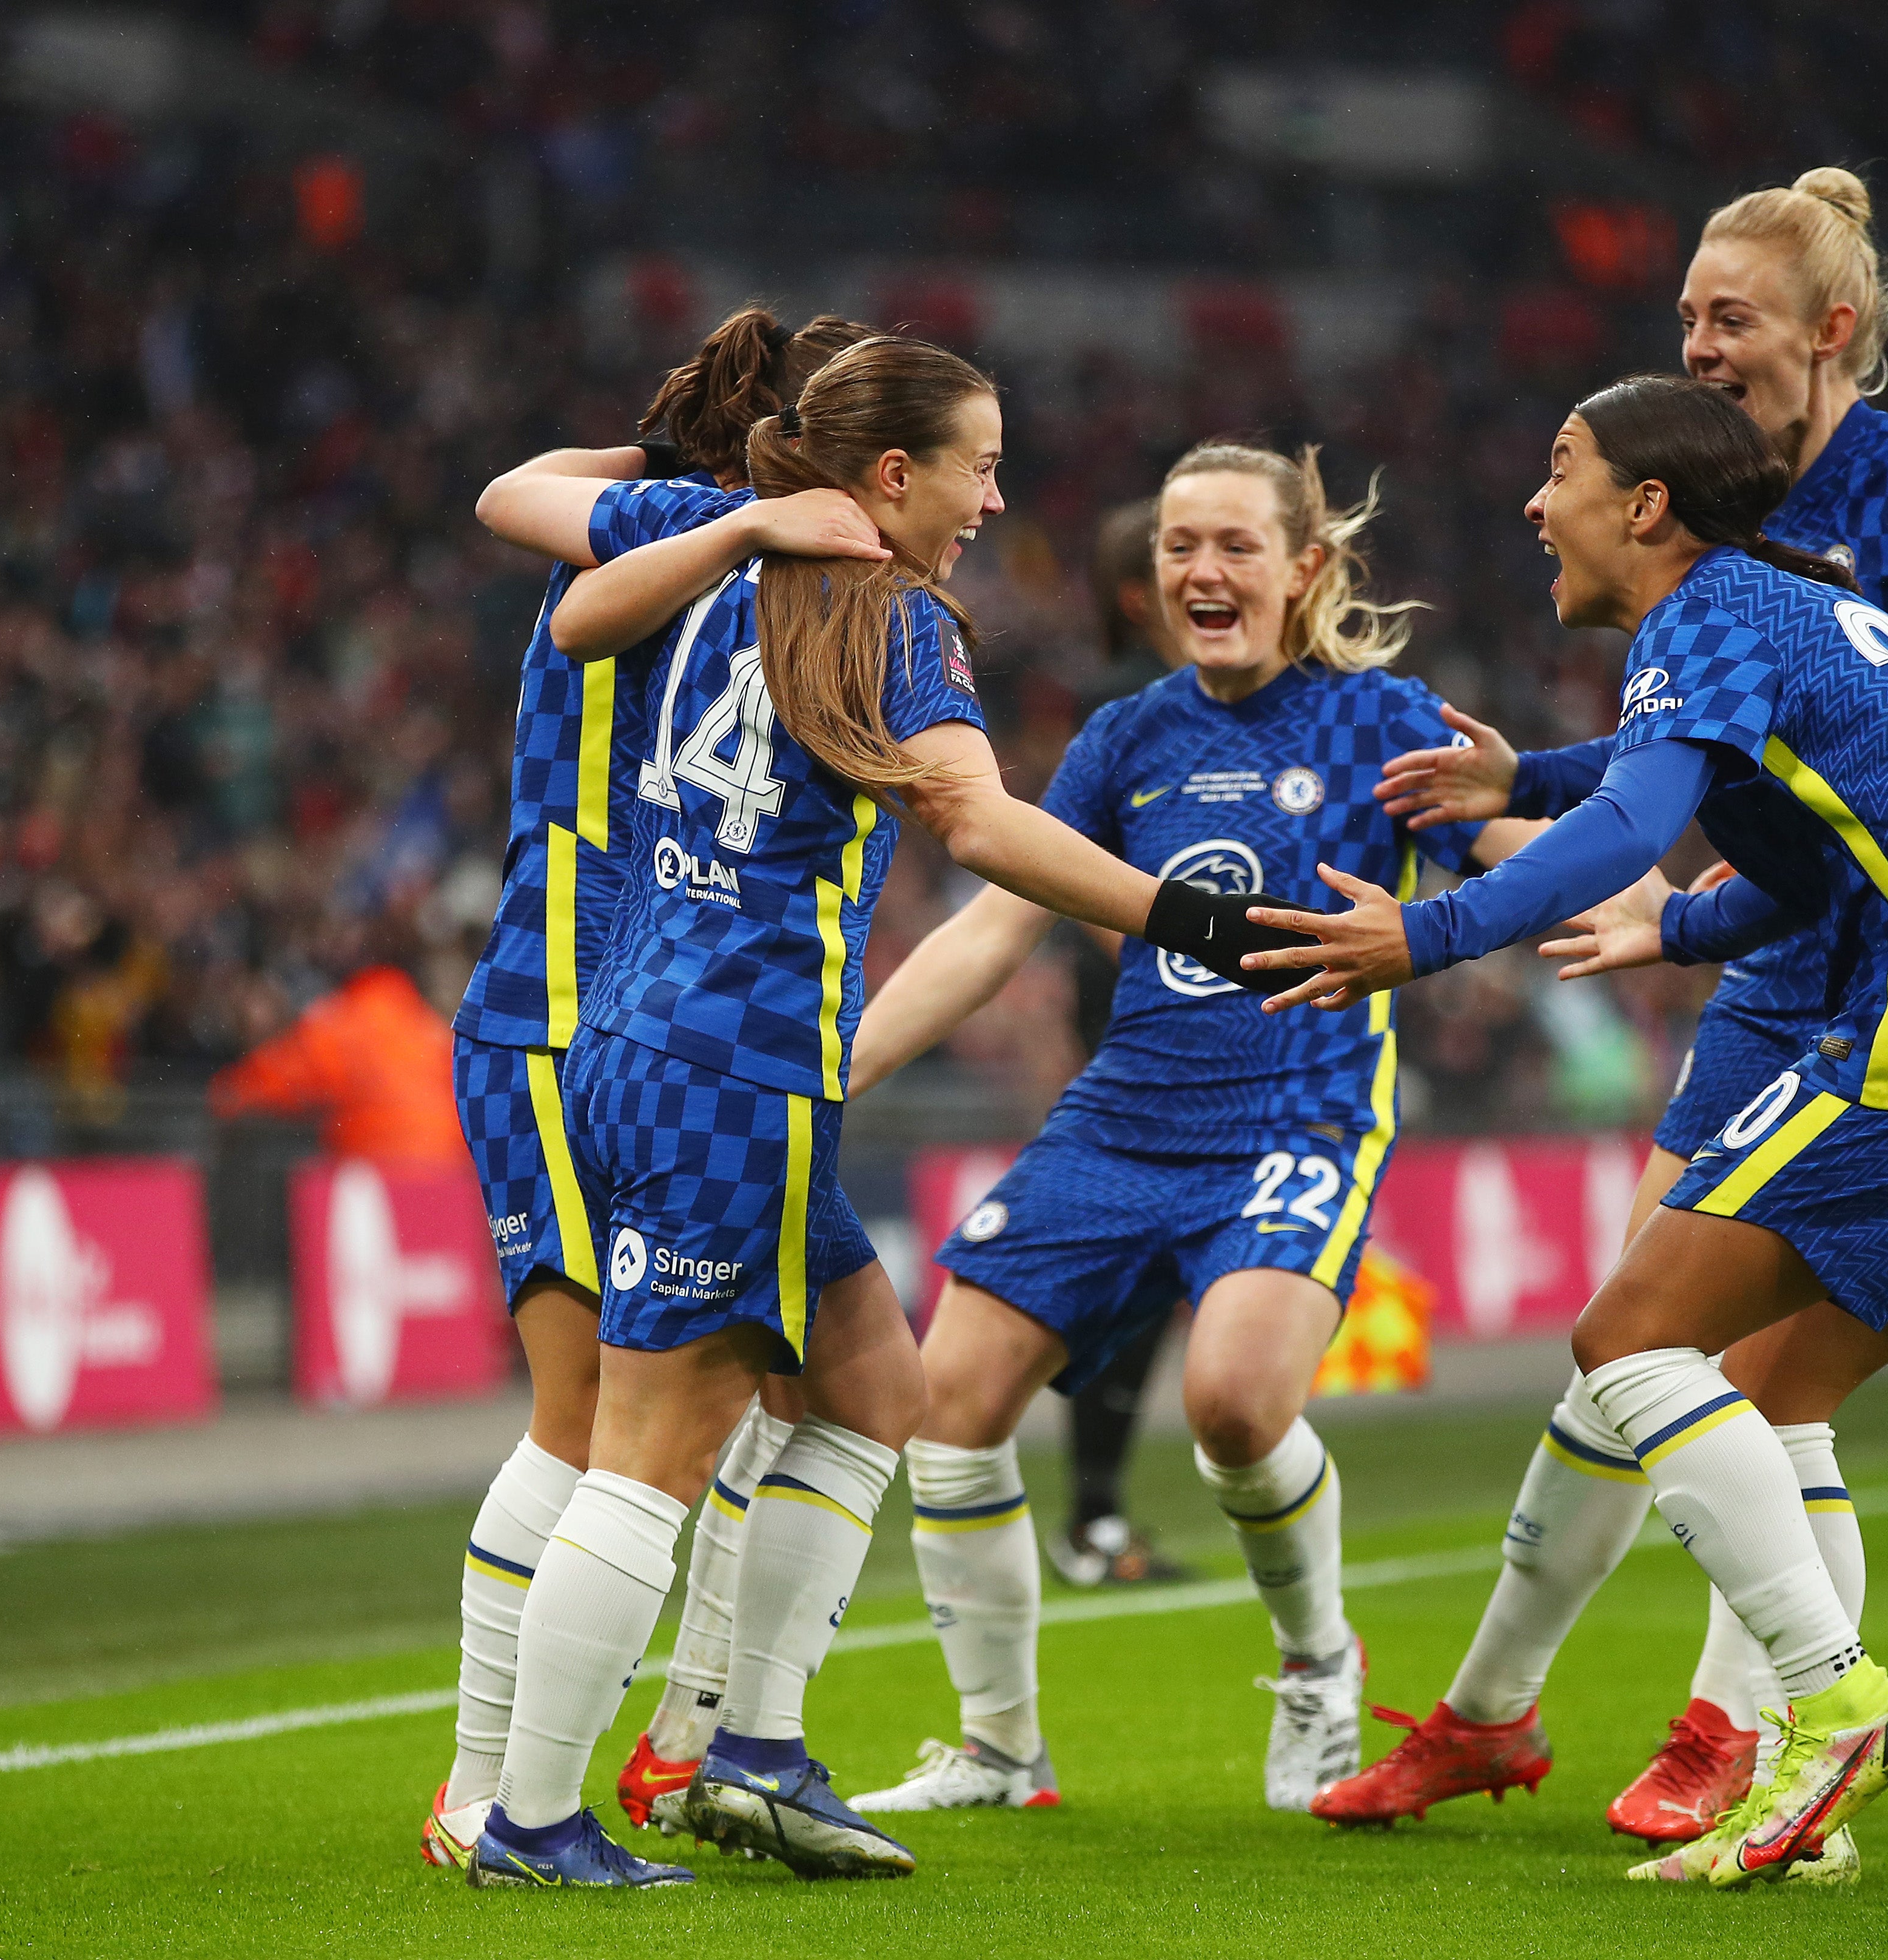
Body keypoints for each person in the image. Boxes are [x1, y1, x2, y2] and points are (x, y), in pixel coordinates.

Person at [1340, 166, 1888, 1865]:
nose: (1528, 505)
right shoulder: (1795, 598)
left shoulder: (1765, 577)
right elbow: (1729, 800)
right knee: (1771, 1403)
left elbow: (1639, 825)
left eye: (1556, 473)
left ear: (1650, 506)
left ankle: (1820, 1697)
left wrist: (1423, 942)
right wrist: (1530, 777)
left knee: (1626, 1342)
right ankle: (1782, 1763)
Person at [453, 338, 1311, 1888]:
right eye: (979, 464)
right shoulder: (895, 610)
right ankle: (529, 1816)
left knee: (870, 1381)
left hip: (635, 1026)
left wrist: (728, 525)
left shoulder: (708, 549)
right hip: (741, 1054)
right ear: (894, 472)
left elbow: (570, 606)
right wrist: (1193, 922)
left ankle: (758, 1746)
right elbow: (978, 821)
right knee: (641, 1450)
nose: (997, 496)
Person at [783, 441, 1537, 1819]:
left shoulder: (1383, 723)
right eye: (1180, 543)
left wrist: (1662, 898)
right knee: (945, 1410)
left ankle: (1319, 1662)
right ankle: (1002, 1748)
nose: (1201, 567)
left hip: (1296, 1111)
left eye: (1236, 543)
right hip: (1123, 1117)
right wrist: (829, 1075)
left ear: (1303, 568)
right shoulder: (1125, 737)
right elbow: (994, 929)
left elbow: (1528, 863)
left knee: (1238, 1410)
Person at [418, 304, 874, 1874]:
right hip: (579, 1018)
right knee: (593, 1426)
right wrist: (728, 474)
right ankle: (492, 1792)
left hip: (631, 1018)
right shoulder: (720, 538)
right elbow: (518, 495)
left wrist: (685, 443)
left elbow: (508, 488)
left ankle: (712, 1739)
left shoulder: (665, 532)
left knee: (819, 1386)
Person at [1050, 497, 1197, 1591]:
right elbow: (1072, 879)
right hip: (1143, 1034)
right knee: (1132, 1290)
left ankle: (1096, 1515)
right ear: (1134, 595)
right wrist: (1187, 954)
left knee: (1154, 1295)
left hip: (1186, 1023)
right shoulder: (1121, 716)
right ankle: (1091, 1518)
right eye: (1178, 556)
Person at [210, 953, 465, 1167]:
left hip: (380, 1169)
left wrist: (234, 1090)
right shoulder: (427, 1024)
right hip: (448, 1170)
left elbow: (284, 1076)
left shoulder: (342, 1022)